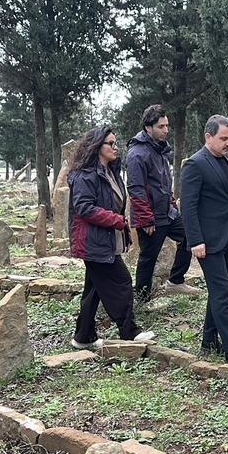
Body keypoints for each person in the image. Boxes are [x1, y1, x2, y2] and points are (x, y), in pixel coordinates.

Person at [67, 125, 155, 349]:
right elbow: (84, 208)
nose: (116, 148)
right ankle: (130, 332)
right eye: (111, 144)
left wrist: (120, 228)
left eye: (116, 143)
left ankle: (83, 336)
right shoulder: (86, 176)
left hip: (105, 238)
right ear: (98, 146)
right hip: (93, 242)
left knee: (94, 288)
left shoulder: (111, 171)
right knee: (122, 281)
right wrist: (115, 220)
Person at [180, 114, 228, 367]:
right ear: (208, 136)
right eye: (224, 138)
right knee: (221, 291)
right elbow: (188, 207)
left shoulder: (227, 163)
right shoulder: (194, 164)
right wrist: (195, 240)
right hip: (207, 242)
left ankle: (208, 341)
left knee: (219, 290)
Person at [125, 104, 200, 302]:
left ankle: (175, 281)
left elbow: (162, 182)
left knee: (190, 236)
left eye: (167, 125)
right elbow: (135, 188)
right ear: (148, 127)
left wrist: (172, 203)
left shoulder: (159, 149)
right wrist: (145, 219)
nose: (166, 130)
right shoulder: (137, 153)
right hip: (150, 217)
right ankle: (142, 299)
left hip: (168, 213)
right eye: (161, 126)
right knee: (148, 258)